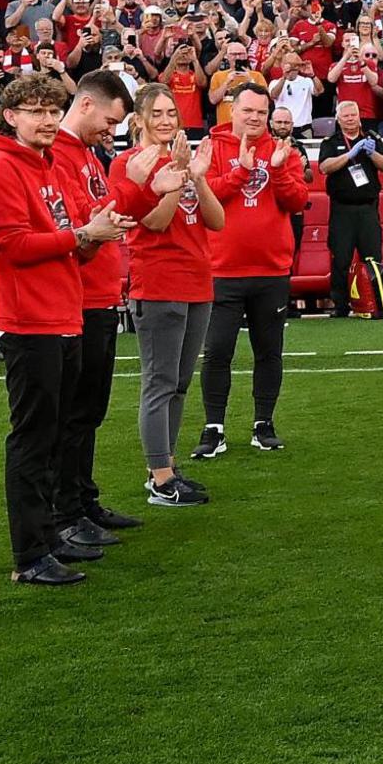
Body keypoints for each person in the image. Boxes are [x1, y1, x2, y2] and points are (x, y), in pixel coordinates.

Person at [0, 74, 132, 585]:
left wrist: (87, 238)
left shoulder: (41, 166)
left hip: (61, 314)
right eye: (35, 111)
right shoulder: (2, 166)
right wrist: (83, 234)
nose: (46, 120)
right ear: (10, 116)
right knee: (34, 438)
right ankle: (31, 552)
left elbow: (64, 240)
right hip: (30, 320)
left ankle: (48, 537)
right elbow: (10, 245)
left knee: (52, 434)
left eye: (52, 110)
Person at [110, 84, 221, 508]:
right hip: (158, 283)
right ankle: (159, 478)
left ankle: (167, 466)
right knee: (159, 382)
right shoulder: (128, 164)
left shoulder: (184, 161)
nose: (165, 120)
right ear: (138, 119)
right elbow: (154, 223)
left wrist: (196, 176)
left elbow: (216, 220)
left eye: (171, 113)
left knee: (179, 383)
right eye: (156, 113)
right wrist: (175, 180)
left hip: (197, 282)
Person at [48, 70, 143, 547]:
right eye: (109, 120)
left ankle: (81, 499)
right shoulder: (59, 157)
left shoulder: (86, 155)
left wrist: (139, 189)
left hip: (100, 294)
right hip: (78, 297)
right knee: (72, 414)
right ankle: (65, 511)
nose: (112, 130)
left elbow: (106, 211)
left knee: (89, 412)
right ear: (85, 105)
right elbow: (85, 223)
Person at [192, 82, 307, 460]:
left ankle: (263, 422)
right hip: (222, 269)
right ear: (232, 111)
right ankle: (214, 427)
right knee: (218, 351)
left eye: (261, 112)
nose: (255, 118)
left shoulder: (282, 150)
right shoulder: (212, 147)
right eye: (248, 111)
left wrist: (276, 172)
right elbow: (205, 196)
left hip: (271, 269)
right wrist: (242, 171)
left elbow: (297, 201)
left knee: (269, 351)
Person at [321, 98, 383, 319]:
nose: (350, 119)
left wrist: (371, 153)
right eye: (346, 116)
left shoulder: (371, 138)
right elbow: (325, 167)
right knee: (341, 259)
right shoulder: (330, 141)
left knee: (372, 257)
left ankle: (377, 301)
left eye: (353, 115)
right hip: (342, 209)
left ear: (359, 116)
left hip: (367, 208)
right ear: (338, 118)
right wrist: (349, 154)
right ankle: (341, 305)